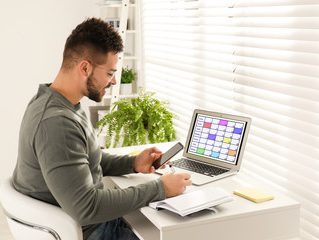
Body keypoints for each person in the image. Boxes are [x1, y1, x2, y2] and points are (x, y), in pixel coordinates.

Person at [12, 17, 192, 240]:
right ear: (85, 67)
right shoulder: (56, 122)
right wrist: (160, 189)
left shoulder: (57, 101)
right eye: (109, 73)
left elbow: (85, 160)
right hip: (94, 230)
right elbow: (87, 208)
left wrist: (132, 163)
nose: (114, 81)